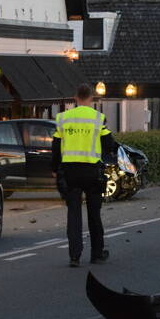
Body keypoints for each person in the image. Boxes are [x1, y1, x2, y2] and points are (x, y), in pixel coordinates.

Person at [52, 83, 116, 267]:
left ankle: (74, 256)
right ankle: (97, 254)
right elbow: (109, 144)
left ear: (75, 98)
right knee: (94, 214)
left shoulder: (63, 118)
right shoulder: (97, 118)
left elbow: (56, 146)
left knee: (74, 215)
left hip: (70, 172)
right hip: (92, 172)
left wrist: (55, 169)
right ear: (92, 97)